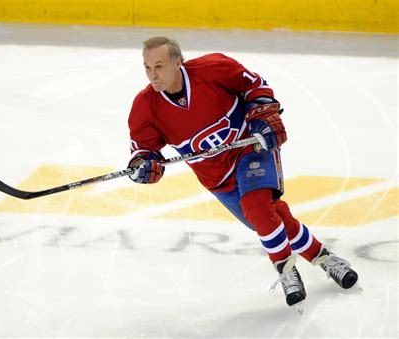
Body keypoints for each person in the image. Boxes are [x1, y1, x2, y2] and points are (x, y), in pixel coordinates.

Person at [126, 36, 358, 309]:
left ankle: (286, 272)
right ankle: (326, 258)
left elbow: (254, 85)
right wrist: (144, 165)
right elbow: (144, 150)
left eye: (160, 66)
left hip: (251, 148)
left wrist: (262, 114)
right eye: (147, 68)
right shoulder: (146, 107)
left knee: (258, 207)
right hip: (217, 179)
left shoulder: (213, 69)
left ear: (179, 62)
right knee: (270, 218)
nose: (153, 75)